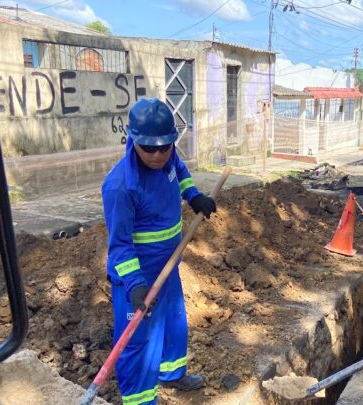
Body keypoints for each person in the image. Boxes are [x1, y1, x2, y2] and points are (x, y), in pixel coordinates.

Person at [102, 98, 217, 404]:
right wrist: (136, 285)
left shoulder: (169, 157)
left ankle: (172, 373)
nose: (157, 155)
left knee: (174, 321)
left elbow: (180, 170)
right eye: (149, 148)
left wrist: (193, 196)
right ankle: (140, 400)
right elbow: (120, 246)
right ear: (133, 140)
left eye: (164, 147)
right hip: (137, 277)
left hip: (168, 265)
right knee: (138, 341)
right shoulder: (121, 186)